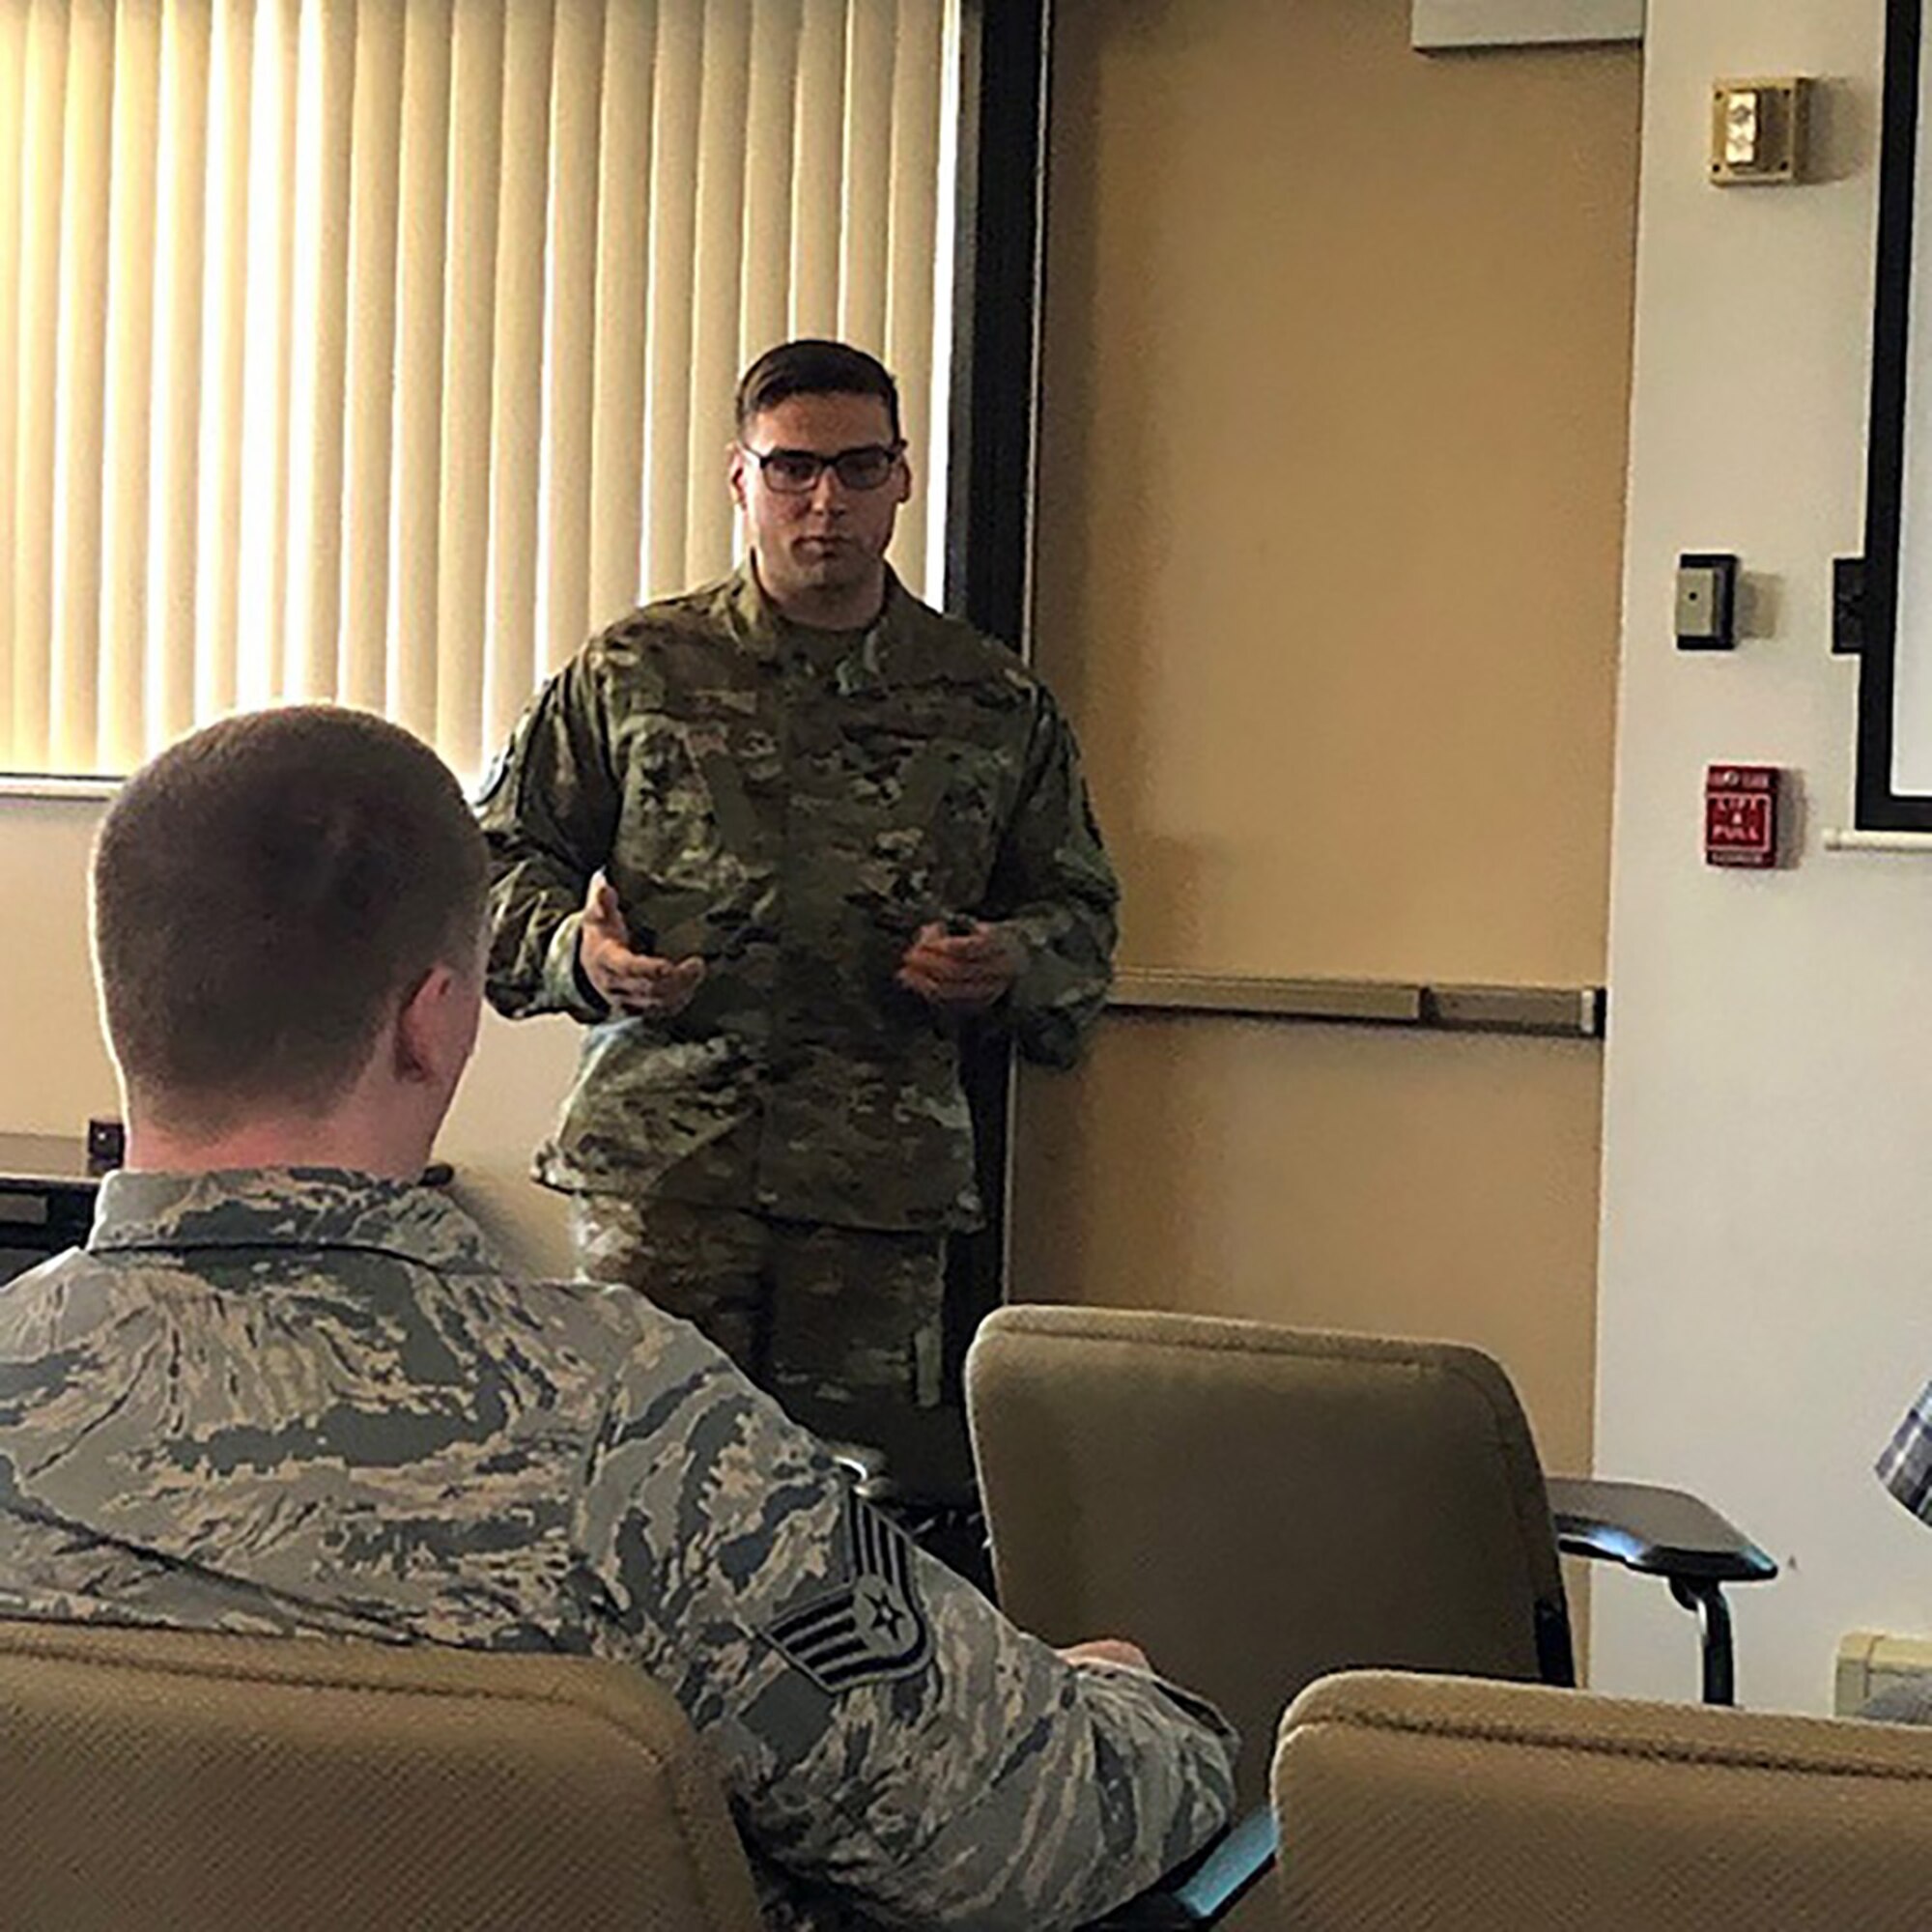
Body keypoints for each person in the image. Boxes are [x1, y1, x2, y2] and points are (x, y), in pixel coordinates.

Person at [0, 706, 1236, 1931]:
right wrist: (1130, 1712)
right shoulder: (621, 1421)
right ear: (432, 1021)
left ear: (127, 1003)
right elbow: (1022, 1840)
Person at [479, 338, 1119, 1436]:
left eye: (858, 468)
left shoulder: (989, 700)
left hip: (871, 1202)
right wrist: (571, 956)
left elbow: (1080, 917)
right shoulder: (637, 671)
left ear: (902, 477)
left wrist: (1004, 961)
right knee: (636, 1499)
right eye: (791, 468)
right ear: (742, 478)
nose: (824, 501)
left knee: (853, 1526)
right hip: (662, 1177)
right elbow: (490, 863)